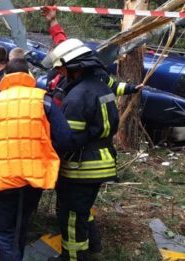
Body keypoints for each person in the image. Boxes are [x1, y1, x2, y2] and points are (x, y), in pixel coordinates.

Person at [0, 58, 72, 261]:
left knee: (3, 231)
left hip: (2, 176)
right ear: (29, 76)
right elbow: (65, 138)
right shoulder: (44, 99)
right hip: (33, 177)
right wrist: (43, 152)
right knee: (21, 224)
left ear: (5, 77)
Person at [45, 38, 120, 261]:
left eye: (62, 68)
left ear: (74, 67)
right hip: (101, 160)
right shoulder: (100, 87)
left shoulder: (77, 97)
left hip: (82, 167)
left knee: (71, 216)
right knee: (82, 211)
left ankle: (73, 257)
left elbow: (69, 140)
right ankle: (92, 246)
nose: (60, 72)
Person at [40, 6, 142, 108]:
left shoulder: (93, 78)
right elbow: (60, 39)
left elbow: (112, 89)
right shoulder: (63, 61)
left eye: (59, 68)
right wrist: (53, 20)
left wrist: (131, 89)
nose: (57, 69)